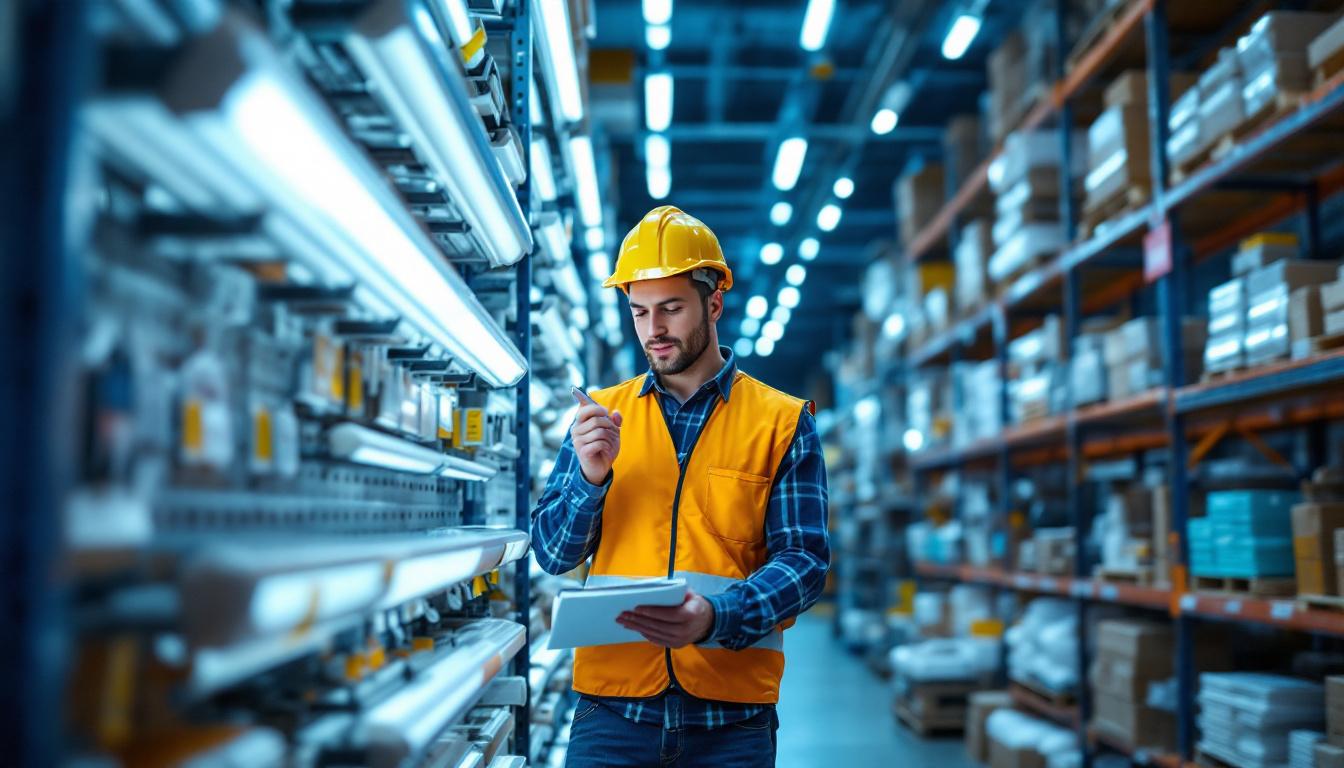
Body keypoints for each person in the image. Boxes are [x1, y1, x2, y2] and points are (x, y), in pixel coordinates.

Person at [532, 205, 831, 767]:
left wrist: (717, 616)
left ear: (713, 303)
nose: (654, 330)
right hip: (612, 714)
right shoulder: (601, 415)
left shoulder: (781, 421)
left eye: (671, 308)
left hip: (730, 721)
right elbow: (552, 553)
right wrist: (590, 480)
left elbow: (805, 563)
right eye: (639, 312)